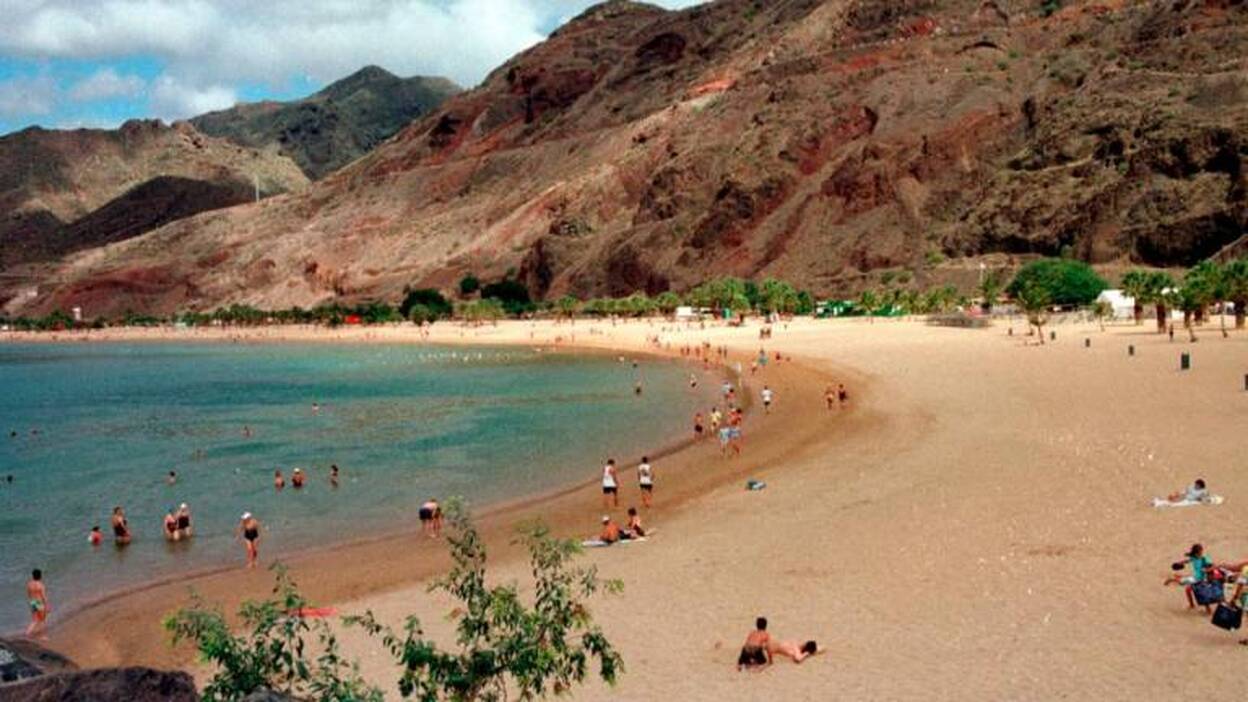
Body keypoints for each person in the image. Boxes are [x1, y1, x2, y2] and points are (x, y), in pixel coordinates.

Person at [1164, 543, 1214, 609]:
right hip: (1197, 578)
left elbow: (1213, 566)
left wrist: (1206, 570)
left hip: (1201, 579)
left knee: (1201, 594)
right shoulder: (1194, 558)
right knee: (1190, 590)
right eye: (1200, 552)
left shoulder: (1204, 559)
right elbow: (1187, 561)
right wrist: (1180, 563)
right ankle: (1192, 605)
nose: (1201, 553)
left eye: (1201, 552)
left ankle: (1172, 579)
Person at [26, 569, 48, 639]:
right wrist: (47, 605)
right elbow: (43, 596)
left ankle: (27, 633)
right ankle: (43, 636)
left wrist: (32, 602)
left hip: (33, 602)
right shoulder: (40, 585)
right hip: (39, 602)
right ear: (40, 576)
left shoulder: (29, 584)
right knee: (42, 620)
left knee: (34, 620)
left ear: (33, 576)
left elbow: (29, 594)